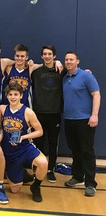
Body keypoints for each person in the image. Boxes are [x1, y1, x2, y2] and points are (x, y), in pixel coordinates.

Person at [0, 82, 48, 202]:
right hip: (10, 152)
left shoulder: (28, 112)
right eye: (10, 94)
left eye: (16, 94)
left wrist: (24, 137)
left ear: (21, 96)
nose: (13, 97)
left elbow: (40, 131)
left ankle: (36, 186)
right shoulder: (2, 109)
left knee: (43, 163)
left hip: (25, 148)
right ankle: (23, 173)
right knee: (14, 190)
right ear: (7, 96)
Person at [63, 51, 100, 197]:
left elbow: (96, 94)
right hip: (69, 120)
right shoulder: (65, 77)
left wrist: (94, 115)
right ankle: (78, 177)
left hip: (85, 120)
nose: (69, 62)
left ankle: (91, 184)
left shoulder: (86, 76)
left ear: (77, 61)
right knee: (75, 149)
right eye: (66, 59)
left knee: (87, 151)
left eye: (71, 59)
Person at [30, 45, 63, 183]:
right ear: (42, 56)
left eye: (50, 54)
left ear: (54, 56)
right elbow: (20, 63)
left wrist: (88, 71)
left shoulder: (61, 70)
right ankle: (38, 168)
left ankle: (51, 170)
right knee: (38, 142)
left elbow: (74, 70)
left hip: (54, 113)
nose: (47, 56)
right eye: (45, 54)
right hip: (38, 113)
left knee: (52, 143)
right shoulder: (36, 71)